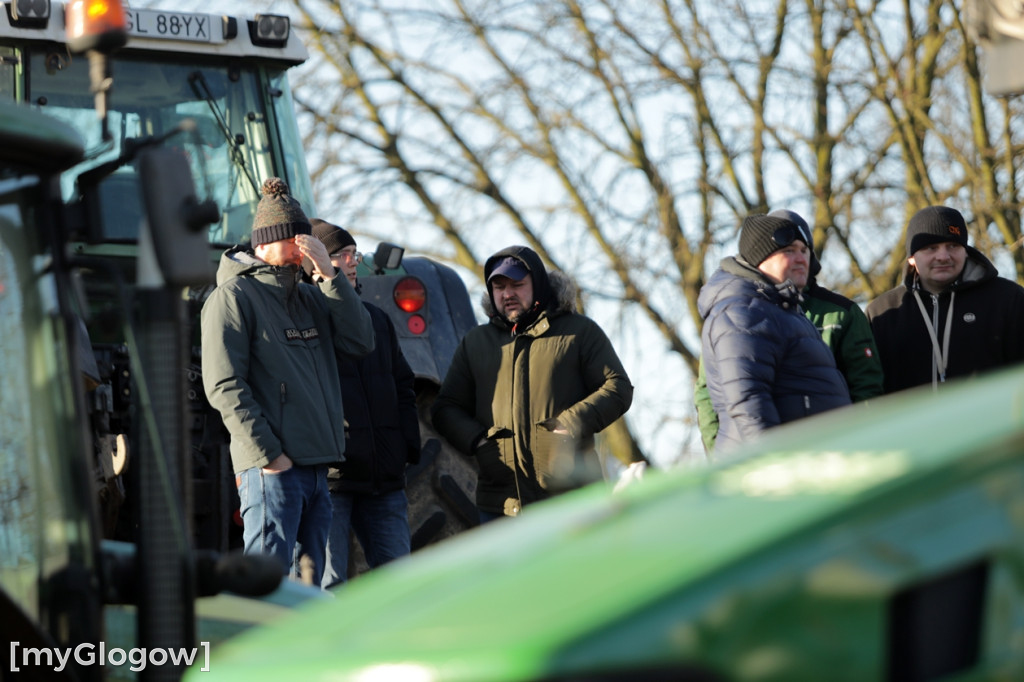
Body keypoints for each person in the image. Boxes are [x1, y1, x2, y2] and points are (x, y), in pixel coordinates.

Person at [201, 178, 375, 586]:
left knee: (306, 593)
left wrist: (331, 276)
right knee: (265, 587)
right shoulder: (233, 298)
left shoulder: (312, 295)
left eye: (306, 239)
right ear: (265, 243)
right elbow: (224, 385)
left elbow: (360, 341)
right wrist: (269, 457)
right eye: (294, 240)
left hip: (316, 470)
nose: (303, 248)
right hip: (273, 471)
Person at [431, 246, 634, 521]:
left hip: (571, 499)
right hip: (500, 507)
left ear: (537, 284)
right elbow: (446, 407)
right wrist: (479, 440)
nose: (507, 294)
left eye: (517, 284)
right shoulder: (476, 343)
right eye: (499, 286)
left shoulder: (578, 331)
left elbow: (618, 387)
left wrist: (570, 423)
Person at [694, 209, 883, 452]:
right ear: (760, 258)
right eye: (788, 251)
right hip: (777, 473)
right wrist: (776, 466)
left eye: (804, 251)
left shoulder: (783, 310)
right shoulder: (743, 313)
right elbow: (748, 402)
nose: (801, 258)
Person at [310, 219, 421, 588]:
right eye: (342, 255)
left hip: (383, 482)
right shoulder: (304, 322)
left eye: (354, 253)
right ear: (316, 264)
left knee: (400, 590)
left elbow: (404, 384)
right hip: (331, 482)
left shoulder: (377, 319)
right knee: (327, 590)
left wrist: (404, 447)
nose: (354, 261)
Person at [866, 205, 1024, 393]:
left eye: (953, 246)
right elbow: (867, 385)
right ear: (911, 258)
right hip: (909, 422)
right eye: (931, 248)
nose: (943, 256)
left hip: (992, 421)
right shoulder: (882, 312)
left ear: (965, 250)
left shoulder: (1008, 299)